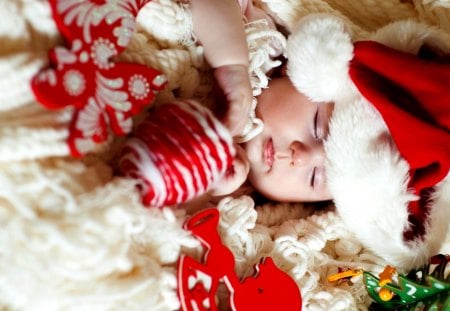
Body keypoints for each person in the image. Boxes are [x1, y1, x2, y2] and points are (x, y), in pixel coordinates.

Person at [188, 0, 335, 202]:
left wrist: (206, 183)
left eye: (314, 178)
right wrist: (233, 62)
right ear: (297, 74)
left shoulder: (238, 196)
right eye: (317, 127)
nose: (300, 157)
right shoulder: (262, 45)